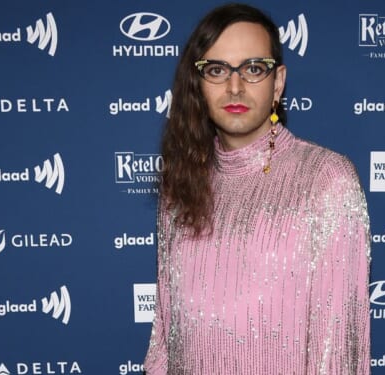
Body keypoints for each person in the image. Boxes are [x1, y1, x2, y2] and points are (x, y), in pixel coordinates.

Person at [143, 3, 372, 374]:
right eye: (216, 70)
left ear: (277, 82)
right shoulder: (181, 183)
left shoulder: (326, 179)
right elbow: (165, 332)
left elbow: (337, 352)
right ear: (198, 83)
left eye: (253, 69)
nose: (235, 86)